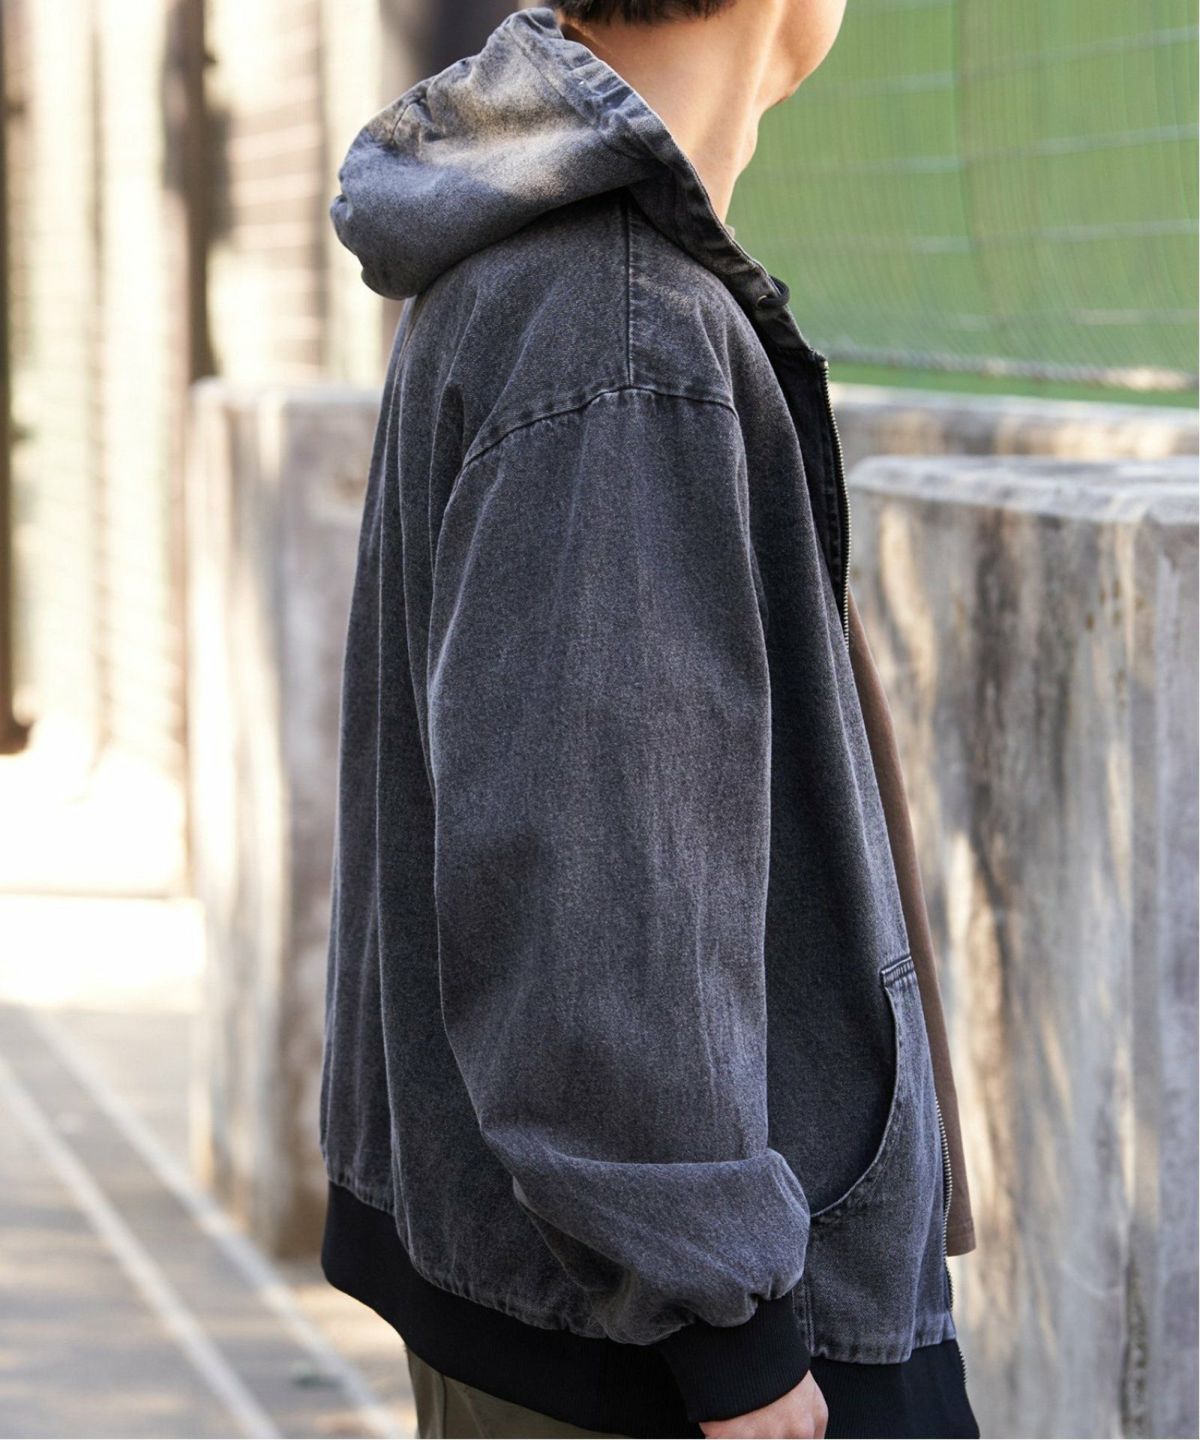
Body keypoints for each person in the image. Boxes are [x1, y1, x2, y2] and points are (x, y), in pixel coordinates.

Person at [317, 3, 980, 1437]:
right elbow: (597, 877)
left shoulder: (539, 268)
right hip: (671, 1345)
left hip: (572, 1298)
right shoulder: (619, 328)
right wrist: (729, 1334)